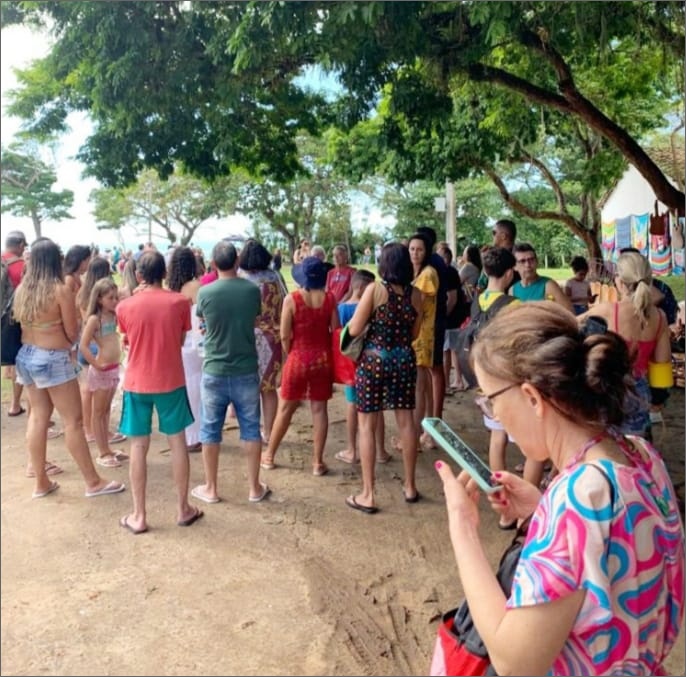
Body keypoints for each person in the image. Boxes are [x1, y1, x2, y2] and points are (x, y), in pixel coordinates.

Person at [434, 302, 684, 675]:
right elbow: (612, 554)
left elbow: (514, 661)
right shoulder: (640, 454)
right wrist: (541, 510)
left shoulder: (578, 498)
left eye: (491, 400)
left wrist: (462, 527)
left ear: (532, 398)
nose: (493, 414)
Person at [13, 237, 125, 499]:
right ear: (55, 260)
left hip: (26, 356)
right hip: (53, 358)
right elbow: (72, 332)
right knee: (73, 421)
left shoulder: (22, 290)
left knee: (37, 417)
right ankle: (93, 482)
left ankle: (41, 481)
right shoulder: (59, 290)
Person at [116, 250, 201, 533]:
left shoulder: (124, 306)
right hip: (170, 380)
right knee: (177, 442)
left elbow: (127, 340)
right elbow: (180, 340)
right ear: (164, 273)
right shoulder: (179, 302)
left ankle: (139, 515)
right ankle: (183, 508)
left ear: (139, 275)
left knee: (138, 446)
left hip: (137, 382)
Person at [345, 243, 422, 513]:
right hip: (404, 360)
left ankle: (368, 494)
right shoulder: (417, 295)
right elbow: (414, 334)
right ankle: (410, 486)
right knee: (407, 423)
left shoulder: (375, 290)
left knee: (366, 425)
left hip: (374, 361)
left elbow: (354, 328)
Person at [191, 240, 268, 504]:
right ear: (237, 261)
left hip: (214, 368)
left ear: (213, 264)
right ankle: (254, 488)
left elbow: (204, 322)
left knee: (210, 431)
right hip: (246, 368)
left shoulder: (205, 292)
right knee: (251, 429)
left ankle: (211, 488)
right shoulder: (251, 290)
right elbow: (255, 319)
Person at [578, 251, 671, 439]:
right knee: (636, 445)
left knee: (606, 445)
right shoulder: (660, 317)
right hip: (640, 392)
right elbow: (662, 363)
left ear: (619, 281)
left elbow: (569, 324)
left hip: (609, 389)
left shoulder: (607, 310)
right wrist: (658, 398)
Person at [261, 256, 339, 476]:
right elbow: (336, 330)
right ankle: (317, 462)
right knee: (319, 409)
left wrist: (292, 353)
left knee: (285, 408)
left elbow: (285, 335)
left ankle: (269, 456)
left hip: (298, 358)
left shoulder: (292, 299)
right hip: (323, 360)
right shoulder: (330, 299)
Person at [333, 269, 389, 466]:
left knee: (352, 404)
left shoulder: (341, 309)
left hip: (351, 365)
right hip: (372, 363)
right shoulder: (374, 308)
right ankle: (381, 451)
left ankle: (351, 449)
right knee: (377, 406)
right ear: (363, 287)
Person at [237, 239, 287, 446]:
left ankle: (252, 431)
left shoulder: (241, 279)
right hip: (273, 338)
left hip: (247, 337)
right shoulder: (276, 278)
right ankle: (269, 431)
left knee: (249, 388)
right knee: (269, 388)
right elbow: (285, 304)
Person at [79, 278, 128, 468]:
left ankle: (107, 448)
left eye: (116, 297)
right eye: (110, 298)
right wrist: (96, 364)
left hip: (113, 368)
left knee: (106, 410)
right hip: (102, 369)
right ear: (99, 299)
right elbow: (83, 346)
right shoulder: (95, 319)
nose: (114, 301)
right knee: (98, 412)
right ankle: (102, 452)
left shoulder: (113, 316)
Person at [167, 245, 203, 453]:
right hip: (194, 340)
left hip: (176, 341)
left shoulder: (169, 289)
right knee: (196, 387)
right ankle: (194, 435)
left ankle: (187, 433)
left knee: (184, 387)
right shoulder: (196, 287)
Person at [408, 232, 438, 452]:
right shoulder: (416, 272)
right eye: (412, 249)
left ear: (426, 252)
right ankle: (427, 433)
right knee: (424, 385)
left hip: (422, 334)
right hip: (418, 333)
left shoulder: (428, 274)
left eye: (419, 249)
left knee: (419, 387)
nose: (415, 253)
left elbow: (417, 302)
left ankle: (416, 436)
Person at [2, 230, 27, 417]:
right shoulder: (21, 266)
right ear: (20, 245)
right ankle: (15, 404)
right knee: (18, 360)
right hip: (12, 322)